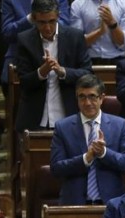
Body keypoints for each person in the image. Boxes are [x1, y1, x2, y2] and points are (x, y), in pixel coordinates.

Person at [50, 74, 125, 205]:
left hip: (111, 203)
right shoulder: (62, 127)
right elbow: (56, 168)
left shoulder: (119, 125)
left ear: (102, 98)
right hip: (74, 204)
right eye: (82, 97)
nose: (87, 103)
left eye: (92, 96)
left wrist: (104, 153)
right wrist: (86, 158)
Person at [14, 0, 92, 132]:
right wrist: (42, 71)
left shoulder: (75, 37)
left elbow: (87, 74)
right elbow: (24, 82)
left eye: (51, 21)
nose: (47, 27)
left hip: (69, 114)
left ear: (58, 16)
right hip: (36, 117)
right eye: (42, 22)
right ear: (34, 19)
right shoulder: (24, 40)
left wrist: (62, 71)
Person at [1, 0, 69, 94]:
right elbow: (7, 33)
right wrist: (29, 19)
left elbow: (65, 26)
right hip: (21, 62)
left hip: (58, 60)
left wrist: (44, 19)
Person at [70, 0, 125, 65]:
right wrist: (100, 32)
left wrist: (112, 23)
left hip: (118, 59)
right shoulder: (78, 4)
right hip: (88, 60)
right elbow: (77, 44)